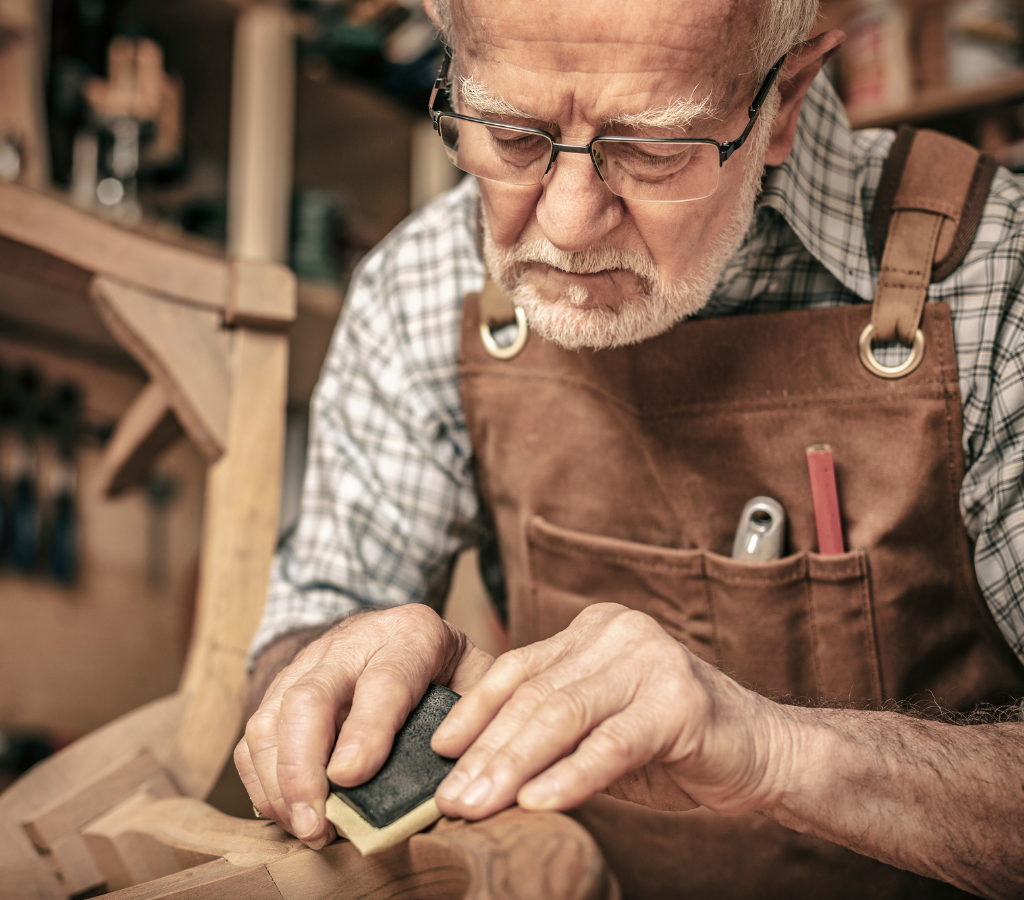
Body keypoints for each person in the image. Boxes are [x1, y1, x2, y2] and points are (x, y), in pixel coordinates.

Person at [234, 0, 1024, 896]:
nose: (566, 226)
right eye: (512, 134)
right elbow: (297, 637)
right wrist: (324, 672)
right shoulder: (424, 288)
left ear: (788, 97)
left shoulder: (998, 276)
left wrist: (779, 753)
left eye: (651, 151)